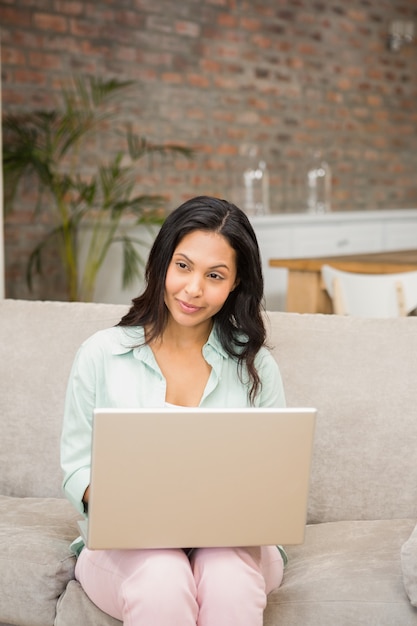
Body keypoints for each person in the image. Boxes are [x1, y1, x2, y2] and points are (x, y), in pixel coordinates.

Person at [61, 195, 287, 626]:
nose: (193, 289)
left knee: (228, 578)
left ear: (236, 283)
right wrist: (131, 506)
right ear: (163, 261)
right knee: (161, 577)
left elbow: (277, 478)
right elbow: (76, 468)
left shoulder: (255, 366)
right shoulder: (100, 355)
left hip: (236, 542)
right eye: (183, 266)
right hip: (127, 544)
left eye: (215, 275)